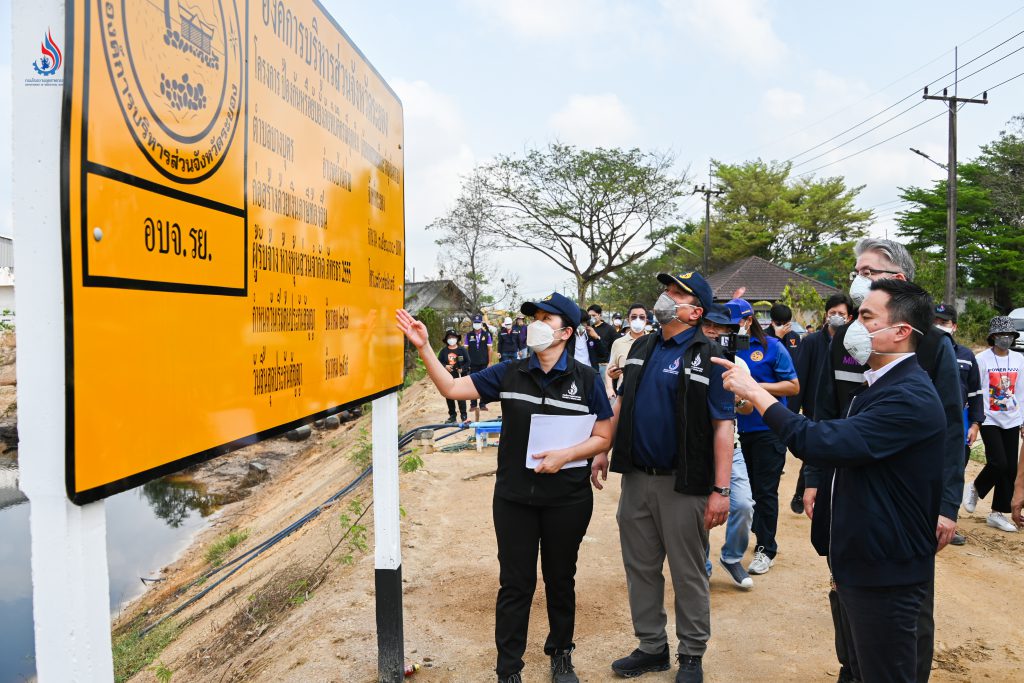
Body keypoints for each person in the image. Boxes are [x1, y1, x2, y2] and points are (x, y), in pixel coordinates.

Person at [714, 278, 945, 683]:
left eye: (867, 317)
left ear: (901, 331)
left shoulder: (909, 396)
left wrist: (756, 392)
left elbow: (819, 440)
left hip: (885, 571)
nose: (854, 325)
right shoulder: (878, 387)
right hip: (860, 562)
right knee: (855, 669)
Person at [397, 295, 614, 683]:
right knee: (516, 583)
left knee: (561, 578)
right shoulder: (508, 372)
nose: (537, 324)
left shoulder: (586, 379)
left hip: (568, 498)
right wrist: (425, 346)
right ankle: (508, 668)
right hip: (515, 499)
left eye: (547, 318)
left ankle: (561, 654)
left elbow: (603, 435)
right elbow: (450, 388)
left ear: (566, 332)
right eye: (534, 317)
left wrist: (566, 455)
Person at [807, 237, 964, 683]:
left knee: (905, 611)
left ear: (899, 279)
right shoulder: (843, 338)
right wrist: (815, 480)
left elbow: (951, 430)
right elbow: (825, 412)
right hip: (849, 496)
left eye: (871, 272)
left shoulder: (929, 344)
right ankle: (851, 670)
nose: (860, 280)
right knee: (847, 590)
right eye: (858, 271)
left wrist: (946, 504)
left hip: (902, 507)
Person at [591, 270, 733, 683]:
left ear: (694, 311)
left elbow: (724, 426)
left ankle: (691, 654)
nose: (665, 298)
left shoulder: (711, 356)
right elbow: (619, 404)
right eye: (666, 290)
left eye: (676, 293)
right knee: (640, 567)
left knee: (687, 572)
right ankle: (652, 646)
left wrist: (721, 490)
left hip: (683, 483)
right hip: (637, 477)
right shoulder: (641, 346)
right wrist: (603, 448)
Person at [726, 297, 799, 576]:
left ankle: (766, 548)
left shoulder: (772, 347)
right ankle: (754, 534)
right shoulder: (723, 348)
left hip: (767, 430)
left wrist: (754, 387)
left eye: (735, 325)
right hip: (733, 433)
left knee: (765, 491)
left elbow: (792, 386)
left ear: (748, 321)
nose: (731, 331)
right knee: (744, 493)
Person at [700, 303, 756, 591]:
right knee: (698, 510)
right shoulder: (689, 358)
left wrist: (737, 400)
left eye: (720, 327)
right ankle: (702, 566)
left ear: (730, 333)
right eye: (708, 324)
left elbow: (747, 408)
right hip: (696, 448)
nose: (713, 330)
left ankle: (732, 557)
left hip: (730, 447)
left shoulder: (739, 363)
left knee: (744, 505)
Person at [787, 293, 854, 514]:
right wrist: (793, 412)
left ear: (850, 317)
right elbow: (801, 377)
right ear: (826, 315)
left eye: (841, 313)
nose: (836, 316)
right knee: (811, 453)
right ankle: (803, 489)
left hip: (843, 410)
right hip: (814, 407)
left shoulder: (853, 344)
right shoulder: (812, 341)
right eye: (832, 312)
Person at [962, 316, 1023, 533]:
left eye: (1009, 335)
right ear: (993, 337)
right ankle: (976, 487)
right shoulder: (982, 359)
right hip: (989, 417)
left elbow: (1021, 391)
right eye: (1000, 335)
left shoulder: (1019, 360)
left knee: (1011, 468)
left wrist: (1023, 419)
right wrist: (974, 418)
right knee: (998, 462)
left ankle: (997, 513)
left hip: (1012, 418)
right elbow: (975, 389)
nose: (1005, 339)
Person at [933, 303, 984, 545]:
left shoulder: (966, 356)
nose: (939, 326)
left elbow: (976, 393)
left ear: (954, 326)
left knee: (954, 471)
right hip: (930, 422)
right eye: (935, 321)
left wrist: (975, 424)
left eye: (944, 322)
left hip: (958, 425)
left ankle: (948, 521)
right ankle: (926, 519)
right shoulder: (925, 352)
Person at [604, 303, 648, 401]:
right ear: (628, 320)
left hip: (648, 396)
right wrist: (609, 388)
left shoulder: (655, 342)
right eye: (633, 317)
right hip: (624, 397)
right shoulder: (618, 343)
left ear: (646, 321)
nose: (638, 320)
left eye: (641, 317)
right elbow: (610, 370)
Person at [438, 328, 470, 424]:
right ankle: (452, 416)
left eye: (453, 337)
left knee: (461, 396)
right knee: (449, 396)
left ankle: (464, 416)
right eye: (449, 337)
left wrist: (462, 368)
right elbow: (438, 363)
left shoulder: (462, 350)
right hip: (448, 377)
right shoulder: (443, 351)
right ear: (447, 340)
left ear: (456, 338)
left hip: (460, 377)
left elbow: (468, 361)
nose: (451, 339)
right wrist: (445, 366)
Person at [465, 314, 494, 412]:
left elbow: (490, 349)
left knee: (484, 383)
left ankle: (482, 404)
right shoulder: (468, 335)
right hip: (472, 363)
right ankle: (473, 405)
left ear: (481, 324)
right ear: (473, 324)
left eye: (478, 323)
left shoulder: (487, 334)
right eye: (475, 323)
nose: (476, 324)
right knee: (472, 383)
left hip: (484, 363)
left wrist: (490, 362)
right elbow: (465, 349)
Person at [585, 304, 616, 380]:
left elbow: (612, 349)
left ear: (600, 315)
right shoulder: (587, 328)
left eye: (594, 315)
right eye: (589, 316)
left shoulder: (609, 329)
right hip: (589, 364)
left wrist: (597, 337)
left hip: (603, 365)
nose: (591, 318)